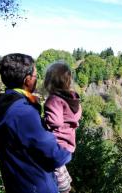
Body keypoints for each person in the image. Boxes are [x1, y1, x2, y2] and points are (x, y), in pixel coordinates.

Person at [0, 53, 71, 193]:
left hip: (17, 185)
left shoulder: (1, 104)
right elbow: (55, 155)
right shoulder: (23, 113)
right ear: (27, 80)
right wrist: (67, 150)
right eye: (35, 76)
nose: (36, 80)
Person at [44, 61, 82, 193]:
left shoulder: (54, 100)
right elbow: (75, 116)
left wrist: (44, 120)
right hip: (69, 143)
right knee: (60, 166)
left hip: (58, 144)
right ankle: (68, 182)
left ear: (50, 82)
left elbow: (55, 122)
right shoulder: (73, 98)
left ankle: (65, 189)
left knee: (54, 167)